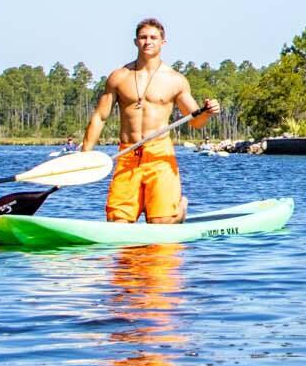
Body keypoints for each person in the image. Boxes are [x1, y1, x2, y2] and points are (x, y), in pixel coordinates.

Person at [79, 18, 220, 224]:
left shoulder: (175, 80)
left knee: (161, 224)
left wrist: (207, 112)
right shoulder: (119, 77)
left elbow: (195, 122)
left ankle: (179, 210)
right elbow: (100, 117)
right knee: (118, 222)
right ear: (136, 41)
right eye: (143, 37)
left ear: (163, 42)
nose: (148, 42)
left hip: (159, 154)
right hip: (127, 153)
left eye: (154, 37)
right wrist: (85, 154)